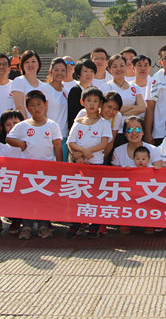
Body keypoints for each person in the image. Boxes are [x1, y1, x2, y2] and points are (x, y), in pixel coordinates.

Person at [6, 90, 62, 239]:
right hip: (28, 171)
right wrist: (21, 144)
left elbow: (57, 146)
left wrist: (60, 166)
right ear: (27, 108)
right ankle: (27, 226)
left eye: (39, 104)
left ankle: (44, 226)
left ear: (46, 105)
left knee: (45, 198)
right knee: (28, 198)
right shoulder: (23, 126)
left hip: (47, 170)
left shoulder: (52, 125)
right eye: (32, 105)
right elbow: (9, 138)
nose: (36, 108)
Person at [65, 87, 110, 239]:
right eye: (89, 100)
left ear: (100, 103)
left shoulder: (104, 123)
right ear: (82, 102)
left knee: (95, 194)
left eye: (95, 101)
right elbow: (70, 142)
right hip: (79, 164)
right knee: (77, 194)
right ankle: (76, 224)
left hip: (96, 164)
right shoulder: (78, 122)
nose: (92, 104)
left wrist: (86, 151)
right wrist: (79, 156)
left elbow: (103, 144)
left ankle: (94, 225)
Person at [42, 57, 70, 157]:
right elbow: (42, 113)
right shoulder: (45, 88)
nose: (60, 73)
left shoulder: (65, 91)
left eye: (63, 70)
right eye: (56, 70)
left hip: (63, 135)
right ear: (50, 71)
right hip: (48, 136)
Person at [66, 59, 97, 131]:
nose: (89, 74)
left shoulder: (94, 91)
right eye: (85, 71)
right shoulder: (75, 91)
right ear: (78, 74)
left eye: (91, 71)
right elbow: (72, 115)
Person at [11, 50, 44, 117]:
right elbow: (19, 107)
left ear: (38, 64)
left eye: (33, 61)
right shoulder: (19, 81)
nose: (30, 65)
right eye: (27, 62)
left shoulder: (43, 85)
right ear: (22, 65)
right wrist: (28, 123)